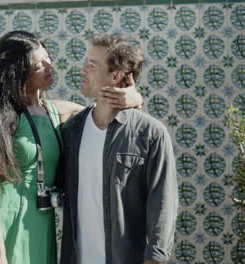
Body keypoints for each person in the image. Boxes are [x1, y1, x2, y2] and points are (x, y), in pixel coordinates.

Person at [0, 31, 143, 264]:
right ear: (19, 72)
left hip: (39, 221)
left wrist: (135, 98)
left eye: (48, 58)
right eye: (39, 64)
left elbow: (101, 110)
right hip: (3, 222)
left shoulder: (55, 111)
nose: (49, 65)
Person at [60, 34, 178, 264]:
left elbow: (162, 203)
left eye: (92, 66)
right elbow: (39, 107)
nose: (83, 70)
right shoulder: (72, 130)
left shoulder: (150, 134)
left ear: (115, 76)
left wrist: (154, 259)